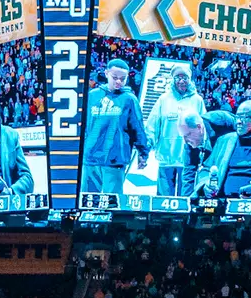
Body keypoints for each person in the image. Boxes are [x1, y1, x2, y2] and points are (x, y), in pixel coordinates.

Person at [82, 57, 149, 195]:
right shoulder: (92, 96)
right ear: (106, 73)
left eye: (123, 78)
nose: (119, 81)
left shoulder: (129, 99)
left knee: (112, 204)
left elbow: (138, 129)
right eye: (115, 77)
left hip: (115, 160)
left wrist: (143, 153)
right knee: (86, 202)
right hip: (90, 158)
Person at [145, 67, 205, 196]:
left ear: (190, 80)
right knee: (164, 198)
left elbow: (203, 127)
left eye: (185, 77)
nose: (181, 81)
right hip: (166, 156)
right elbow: (152, 124)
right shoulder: (163, 99)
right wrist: (147, 146)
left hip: (188, 158)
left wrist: (202, 148)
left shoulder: (197, 100)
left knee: (186, 199)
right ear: (173, 79)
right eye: (178, 77)